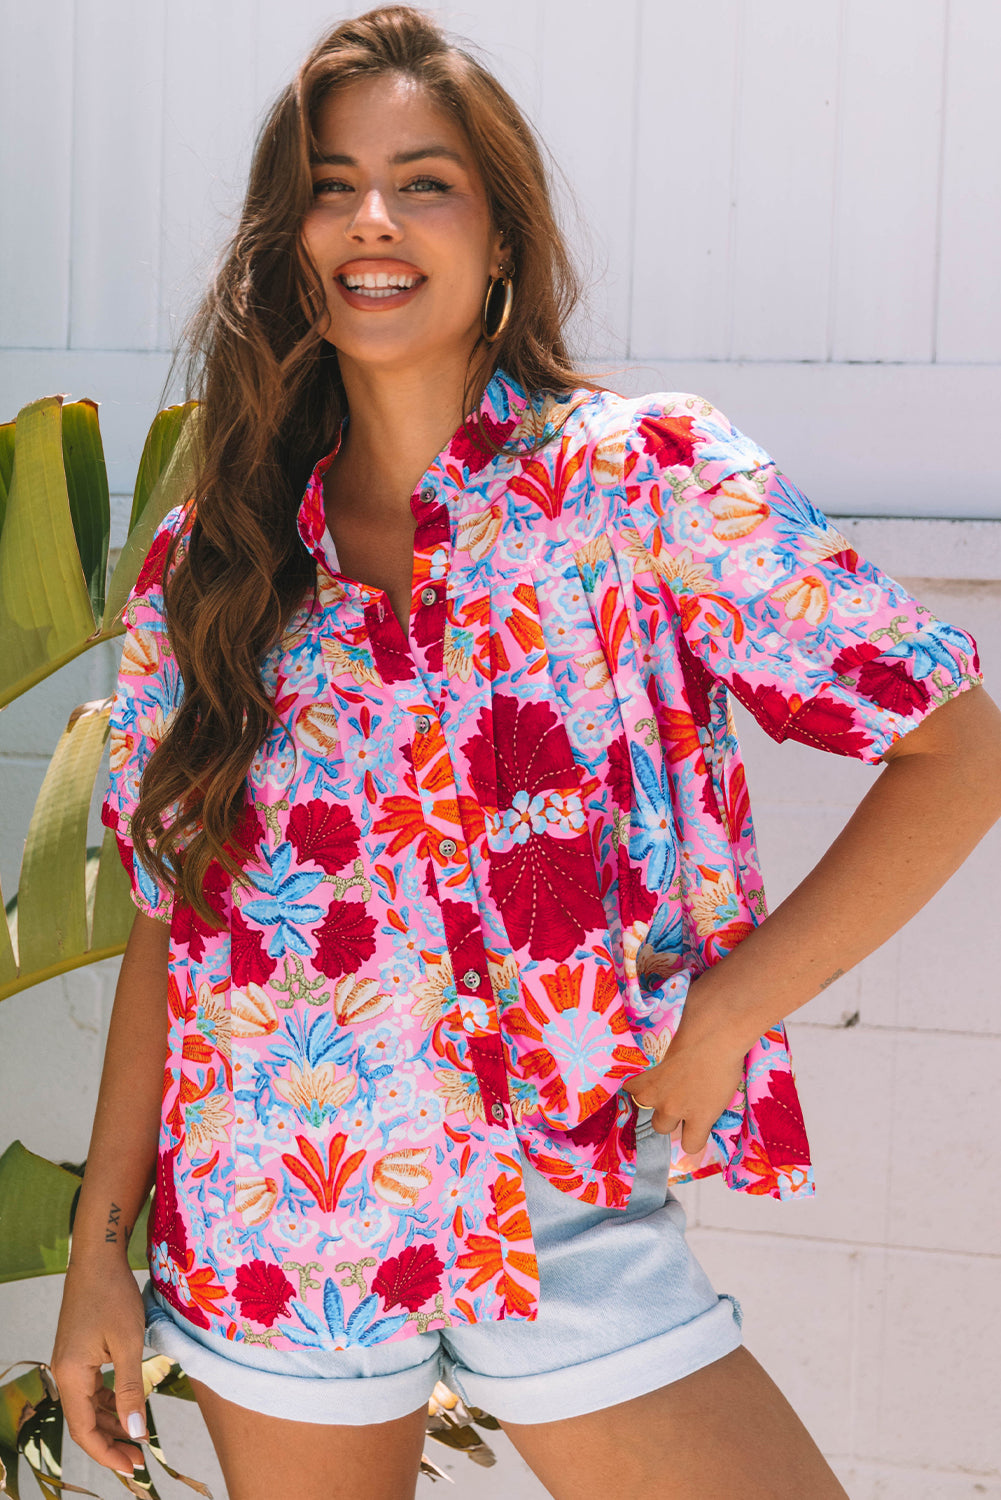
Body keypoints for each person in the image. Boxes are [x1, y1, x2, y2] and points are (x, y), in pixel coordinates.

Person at [50, 6, 1001, 1498]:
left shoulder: (642, 482)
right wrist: (98, 1255)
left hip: (567, 1209)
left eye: (423, 182)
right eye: (331, 186)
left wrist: (729, 1010)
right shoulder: (214, 560)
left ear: (500, 234)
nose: (373, 220)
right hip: (279, 1230)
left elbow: (960, 753)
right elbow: (172, 924)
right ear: (289, 243)